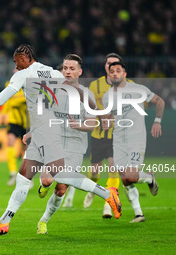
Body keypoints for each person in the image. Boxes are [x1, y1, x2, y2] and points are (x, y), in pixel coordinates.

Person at [0, 44, 122, 237]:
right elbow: (74, 95)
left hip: (52, 134)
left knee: (60, 177)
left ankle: (107, 194)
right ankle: (3, 222)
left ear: (25, 58)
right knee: (24, 176)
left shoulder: (23, 75)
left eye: (17, 62)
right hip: (44, 130)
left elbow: (1, 100)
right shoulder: (53, 74)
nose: (15, 67)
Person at [34, 54, 97, 234]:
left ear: (79, 72)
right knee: (47, 180)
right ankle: (44, 185)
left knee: (61, 189)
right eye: (65, 68)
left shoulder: (87, 95)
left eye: (71, 69)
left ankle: (43, 221)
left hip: (75, 147)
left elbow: (92, 124)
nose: (67, 72)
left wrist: (80, 125)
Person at [103, 61, 163, 223]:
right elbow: (108, 117)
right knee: (125, 179)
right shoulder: (107, 96)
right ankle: (139, 214)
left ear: (124, 74)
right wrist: (105, 121)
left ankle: (149, 178)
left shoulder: (137, 89)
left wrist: (157, 121)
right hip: (118, 141)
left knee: (131, 175)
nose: (115, 74)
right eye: (112, 72)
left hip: (136, 138)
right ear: (108, 76)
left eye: (118, 71)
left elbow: (160, 102)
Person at [83, 53, 133, 218]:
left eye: (115, 64)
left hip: (118, 135)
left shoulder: (129, 85)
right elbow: (89, 106)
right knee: (95, 172)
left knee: (113, 168)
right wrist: (102, 116)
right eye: (109, 64)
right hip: (98, 134)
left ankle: (107, 204)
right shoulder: (95, 85)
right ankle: (92, 189)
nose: (112, 67)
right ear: (105, 67)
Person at [0, 69, 28, 186]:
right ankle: (12, 172)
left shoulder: (29, 84)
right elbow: (8, 100)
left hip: (27, 122)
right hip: (13, 120)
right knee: (10, 142)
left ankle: (25, 175)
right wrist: (3, 113)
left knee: (25, 149)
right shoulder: (9, 84)